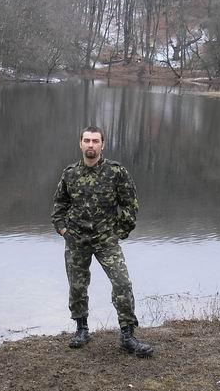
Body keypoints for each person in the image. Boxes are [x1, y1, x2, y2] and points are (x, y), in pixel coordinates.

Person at [51, 126, 153, 358]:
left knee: (122, 283)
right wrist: (63, 230)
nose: (91, 145)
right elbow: (59, 204)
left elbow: (130, 204)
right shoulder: (70, 174)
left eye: (95, 141)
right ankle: (82, 330)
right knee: (77, 286)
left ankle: (127, 335)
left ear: (102, 145)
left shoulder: (116, 172)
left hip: (106, 239)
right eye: (87, 140)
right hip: (77, 240)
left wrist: (120, 232)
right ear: (80, 144)